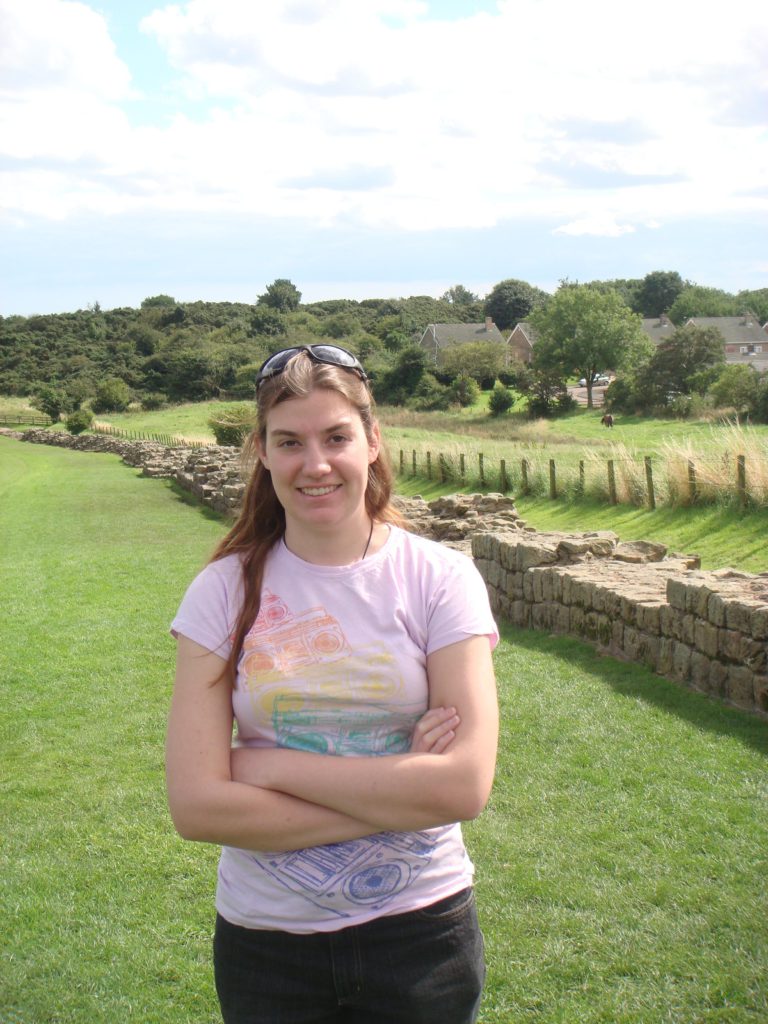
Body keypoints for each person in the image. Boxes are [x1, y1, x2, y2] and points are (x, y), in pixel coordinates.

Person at [166, 343, 499, 1024]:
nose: (315, 464)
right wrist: (407, 793)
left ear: (372, 442)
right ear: (261, 451)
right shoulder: (221, 593)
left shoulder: (439, 580)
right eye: (290, 442)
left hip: (421, 935)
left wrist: (267, 766)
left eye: (336, 437)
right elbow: (197, 807)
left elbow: (462, 786)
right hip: (268, 949)